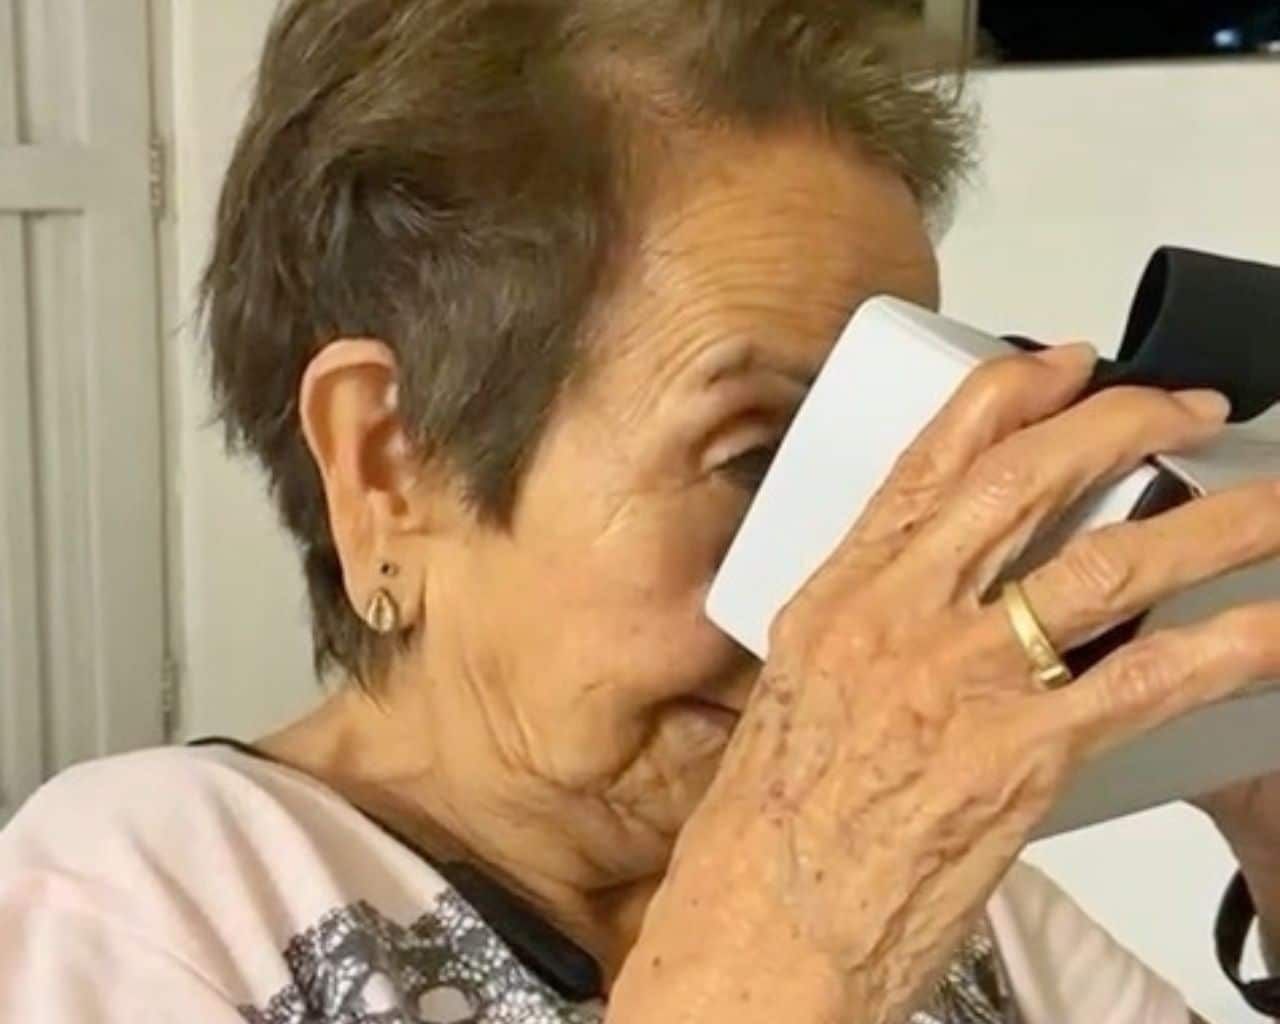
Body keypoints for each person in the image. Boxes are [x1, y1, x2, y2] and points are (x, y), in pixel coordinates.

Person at [2, 2, 1279, 1021]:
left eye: (886, 458)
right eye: (759, 458)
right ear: (388, 464)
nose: (850, 587)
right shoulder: (137, 900)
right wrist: (800, 942)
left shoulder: (947, 882)